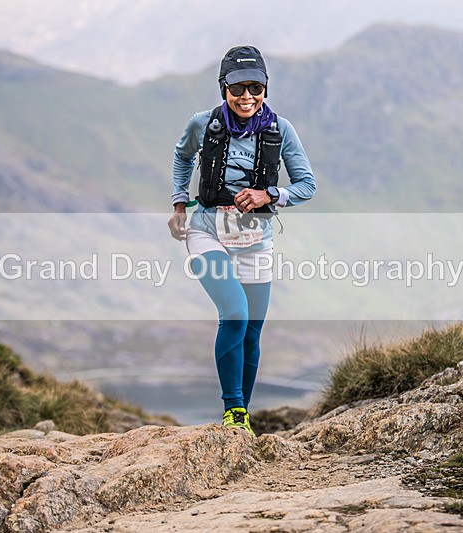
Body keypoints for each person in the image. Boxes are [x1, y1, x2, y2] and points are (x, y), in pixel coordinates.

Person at [167, 45, 315, 435]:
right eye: (238, 88)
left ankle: (241, 421)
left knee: (251, 331)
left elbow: (307, 185)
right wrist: (180, 202)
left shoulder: (281, 131)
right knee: (234, 313)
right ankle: (232, 408)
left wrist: (270, 195)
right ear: (223, 88)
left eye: (256, 87)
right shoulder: (202, 124)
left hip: (256, 240)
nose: (247, 96)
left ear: (266, 88)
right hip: (206, 232)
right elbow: (182, 157)